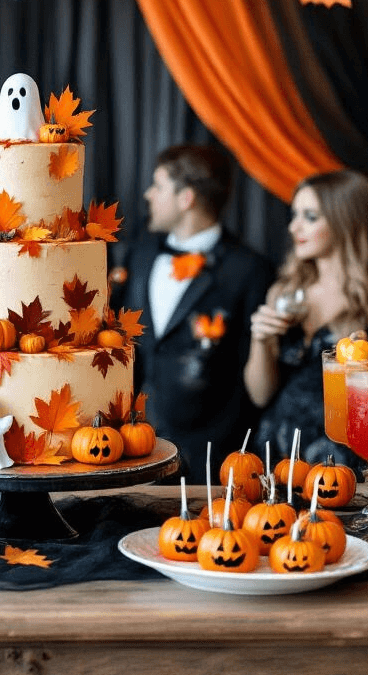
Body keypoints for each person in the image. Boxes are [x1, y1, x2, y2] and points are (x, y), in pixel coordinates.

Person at [246, 169, 368, 467]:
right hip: (279, 457)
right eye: (294, 215)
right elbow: (260, 395)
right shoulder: (285, 291)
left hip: (351, 462)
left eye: (310, 216)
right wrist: (259, 339)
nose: (294, 227)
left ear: (347, 220)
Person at [111, 145, 275, 477]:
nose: (148, 195)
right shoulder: (138, 255)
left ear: (187, 198)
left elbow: (252, 375)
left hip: (212, 458)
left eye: (158, 186)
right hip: (133, 446)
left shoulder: (249, 271)